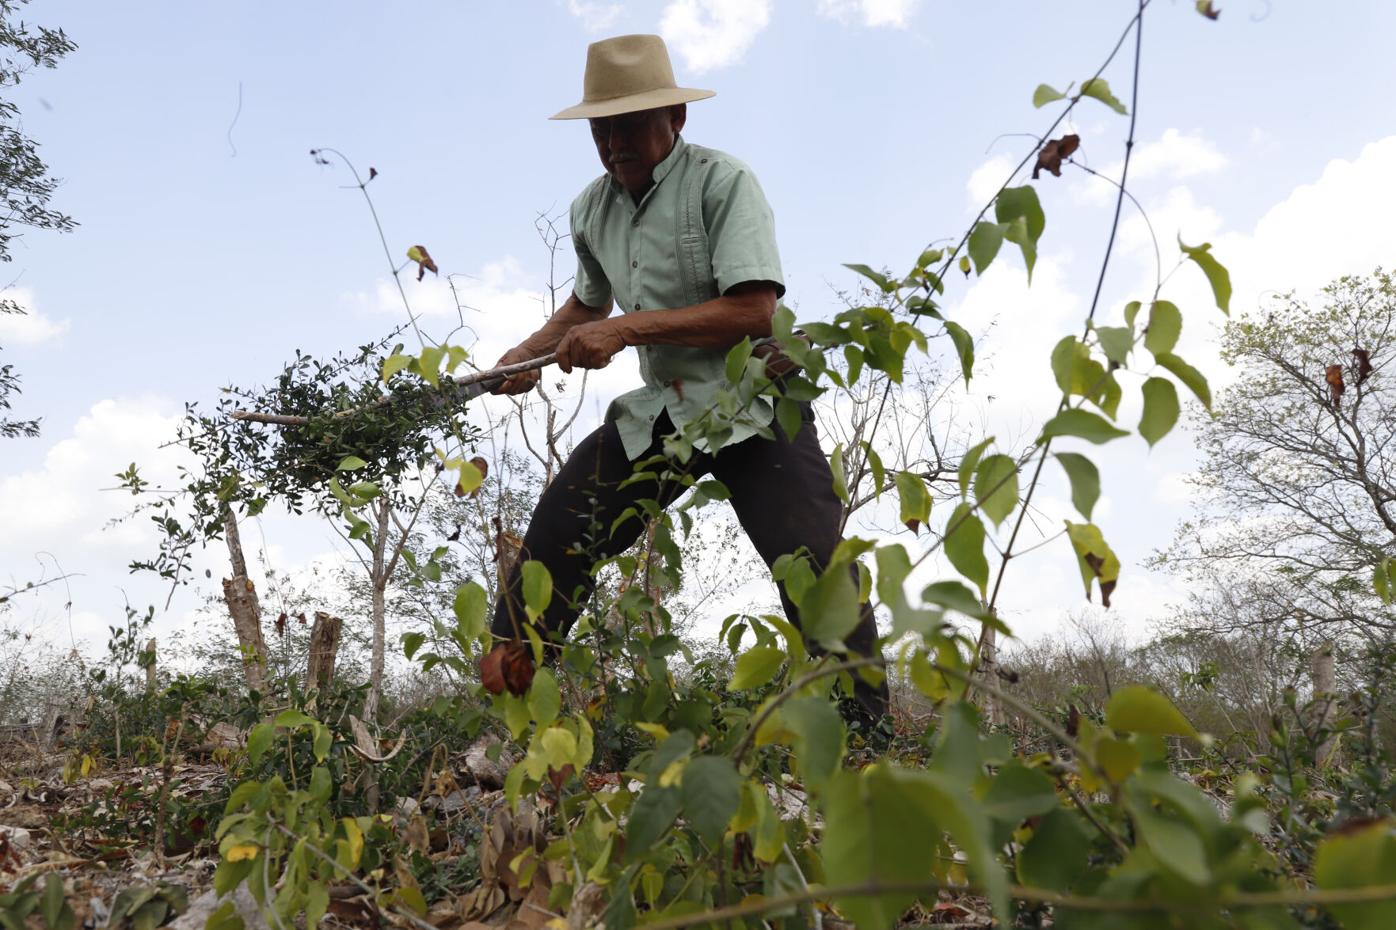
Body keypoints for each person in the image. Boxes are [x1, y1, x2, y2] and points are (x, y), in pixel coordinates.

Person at [484, 34, 888, 729]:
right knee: (557, 535)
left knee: (816, 567)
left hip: (755, 403)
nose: (614, 142)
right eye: (600, 128)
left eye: (631, 123)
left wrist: (629, 331)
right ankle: (511, 720)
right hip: (662, 414)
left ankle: (871, 739)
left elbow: (752, 308)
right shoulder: (591, 209)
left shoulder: (723, 181)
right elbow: (588, 304)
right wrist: (523, 355)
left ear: (675, 117)